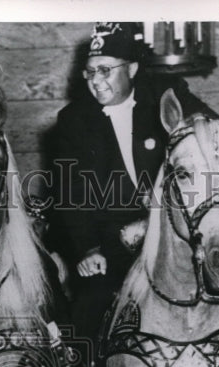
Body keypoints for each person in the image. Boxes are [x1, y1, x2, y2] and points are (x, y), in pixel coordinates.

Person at [55, 22, 184, 344]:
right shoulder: (73, 120)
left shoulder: (166, 96)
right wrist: (88, 249)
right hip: (113, 242)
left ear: (133, 68)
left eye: (105, 70)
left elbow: (209, 138)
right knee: (89, 308)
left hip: (175, 230)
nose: (96, 81)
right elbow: (71, 195)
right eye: (89, 73)